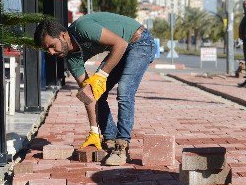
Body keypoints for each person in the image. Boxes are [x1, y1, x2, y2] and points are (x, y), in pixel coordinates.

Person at [34, 12, 156, 166]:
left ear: (64, 35)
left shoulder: (83, 28)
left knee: (124, 90)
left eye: (52, 46)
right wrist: (93, 129)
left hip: (139, 41)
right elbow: (89, 95)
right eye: (47, 50)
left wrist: (102, 74)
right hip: (122, 47)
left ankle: (122, 146)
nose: (51, 53)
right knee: (98, 92)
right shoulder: (72, 60)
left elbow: (121, 44)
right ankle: (110, 139)